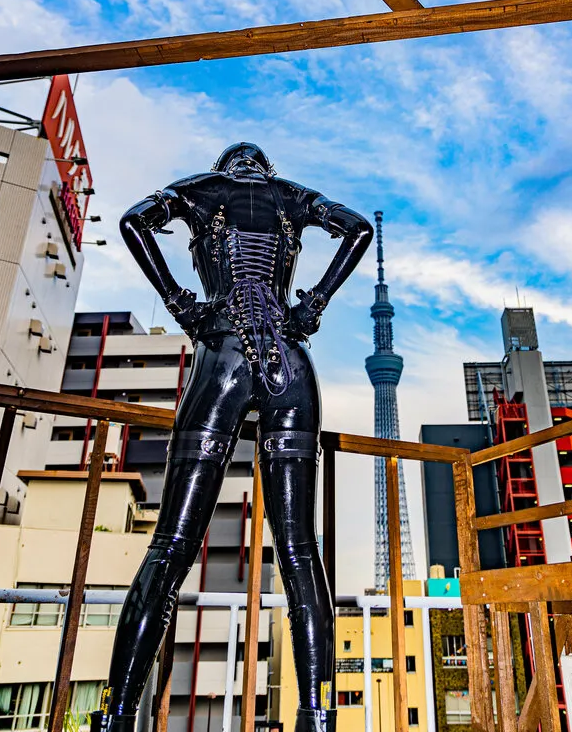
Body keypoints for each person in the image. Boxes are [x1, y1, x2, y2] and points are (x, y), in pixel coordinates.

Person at [91, 142, 373, 732]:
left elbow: (133, 222)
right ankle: (317, 716)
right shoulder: (292, 195)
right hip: (291, 362)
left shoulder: (201, 188)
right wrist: (312, 306)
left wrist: (180, 303)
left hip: (222, 352)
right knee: (300, 550)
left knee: (171, 544)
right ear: (264, 167)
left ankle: (116, 715)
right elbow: (358, 230)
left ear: (228, 165)